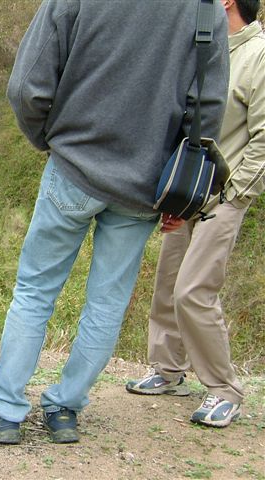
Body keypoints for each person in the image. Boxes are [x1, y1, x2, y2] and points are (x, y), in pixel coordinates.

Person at [0, 0, 229, 445]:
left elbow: (27, 85)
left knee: (35, 290)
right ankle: (65, 408)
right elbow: (205, 110)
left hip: (74, 168)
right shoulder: (206, 9)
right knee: (107, 303)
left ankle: (5, 410)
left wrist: (50, 141)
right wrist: (177, 194)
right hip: (144, 188)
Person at [126, 0, 264, 428]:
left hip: (223, 198)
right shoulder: (206, 46)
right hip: (187, 193)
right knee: (168, 283)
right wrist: (175, 197)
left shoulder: (258, 55)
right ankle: (168, 370)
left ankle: (224, 390)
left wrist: (233, 195)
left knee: (193, 291)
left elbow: (263, 138)